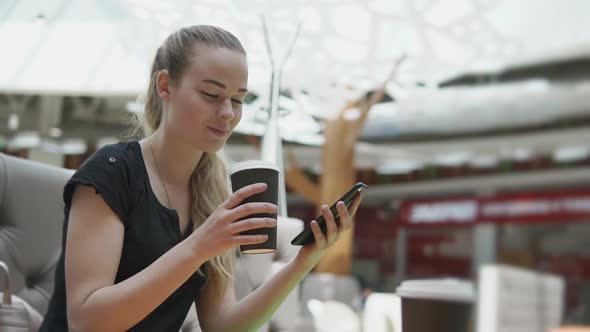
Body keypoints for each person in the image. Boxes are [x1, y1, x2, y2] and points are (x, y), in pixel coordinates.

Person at [39, 25, 363, 331]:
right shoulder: (110, 173)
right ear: (164, 86)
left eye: (238, 100)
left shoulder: (213, 189)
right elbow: (87, 322)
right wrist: (200, 245)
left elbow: (222, 325)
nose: (228, 113)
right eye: (211, 95)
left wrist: (304, 261)